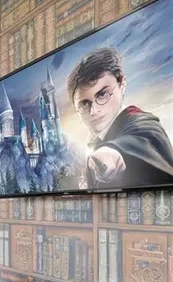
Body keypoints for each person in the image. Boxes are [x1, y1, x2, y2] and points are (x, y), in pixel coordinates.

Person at [66, 47, 173, 189]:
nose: (94, 111)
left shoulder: (141, 123)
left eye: (102, 94)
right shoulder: (92, 141)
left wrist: (112, 151)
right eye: (84, 104)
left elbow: (145, 135)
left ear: (122, 84)